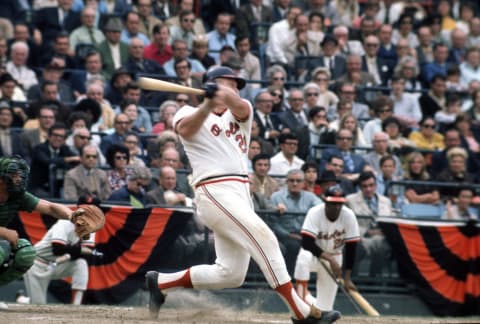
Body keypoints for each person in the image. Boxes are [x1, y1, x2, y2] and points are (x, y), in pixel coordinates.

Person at [145, 66, 341, 324]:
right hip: (214, 190)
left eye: (237, 85)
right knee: (266, 238)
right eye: (230, 83)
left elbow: (239, 105)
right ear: (211, 84)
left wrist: (223, 94)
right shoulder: (188, 112)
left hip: (240, 192)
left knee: (231, 274)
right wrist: (207, 105)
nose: (236, 88)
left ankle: (160, 283)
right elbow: (187, 131)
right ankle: (301, 312)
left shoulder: (241, 110)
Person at [0, 156, 93, 309]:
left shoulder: (17, 196)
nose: (19, 179)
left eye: (20, 175)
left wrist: (72, 216)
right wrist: (4, 232)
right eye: (14, 175)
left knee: (26, 252)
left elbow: (49, 207)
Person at [294, 185, 360, 311]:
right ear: (325, 201)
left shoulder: (349, 215)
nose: (336, 207)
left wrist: (347, 279)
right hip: (314, 254)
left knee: (325, 309)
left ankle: (306, 298)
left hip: (335, 255)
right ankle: (300, 300)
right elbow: (306, 243)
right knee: (303, 257)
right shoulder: (315, 212)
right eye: (332, 203)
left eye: (339, 204)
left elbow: (352, 247)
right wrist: (330, 259)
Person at [23, 214, 96, 305]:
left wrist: (68, 256)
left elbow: (86, 254)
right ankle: (22, 300)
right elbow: (57, 249)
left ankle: (76, 305)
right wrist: (80, 250)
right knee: (38, 305)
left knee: (80, 264)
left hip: (56, 264)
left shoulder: (91, 227)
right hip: (38, 263)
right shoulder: (64, 223)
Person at [346, 171, 394, 277]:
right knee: (357, 247)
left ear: (376, 185)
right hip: (362, 238)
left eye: (371, 185)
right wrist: (367, 231)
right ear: (360, 187)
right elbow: (347, 224)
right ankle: (354, 280)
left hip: (382, 237)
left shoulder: (386, 201)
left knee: (384, 245)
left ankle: (374, 279)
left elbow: (391, 221)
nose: (368, 189)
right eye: (365, 186)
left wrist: (384, 231)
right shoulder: (350, 200)